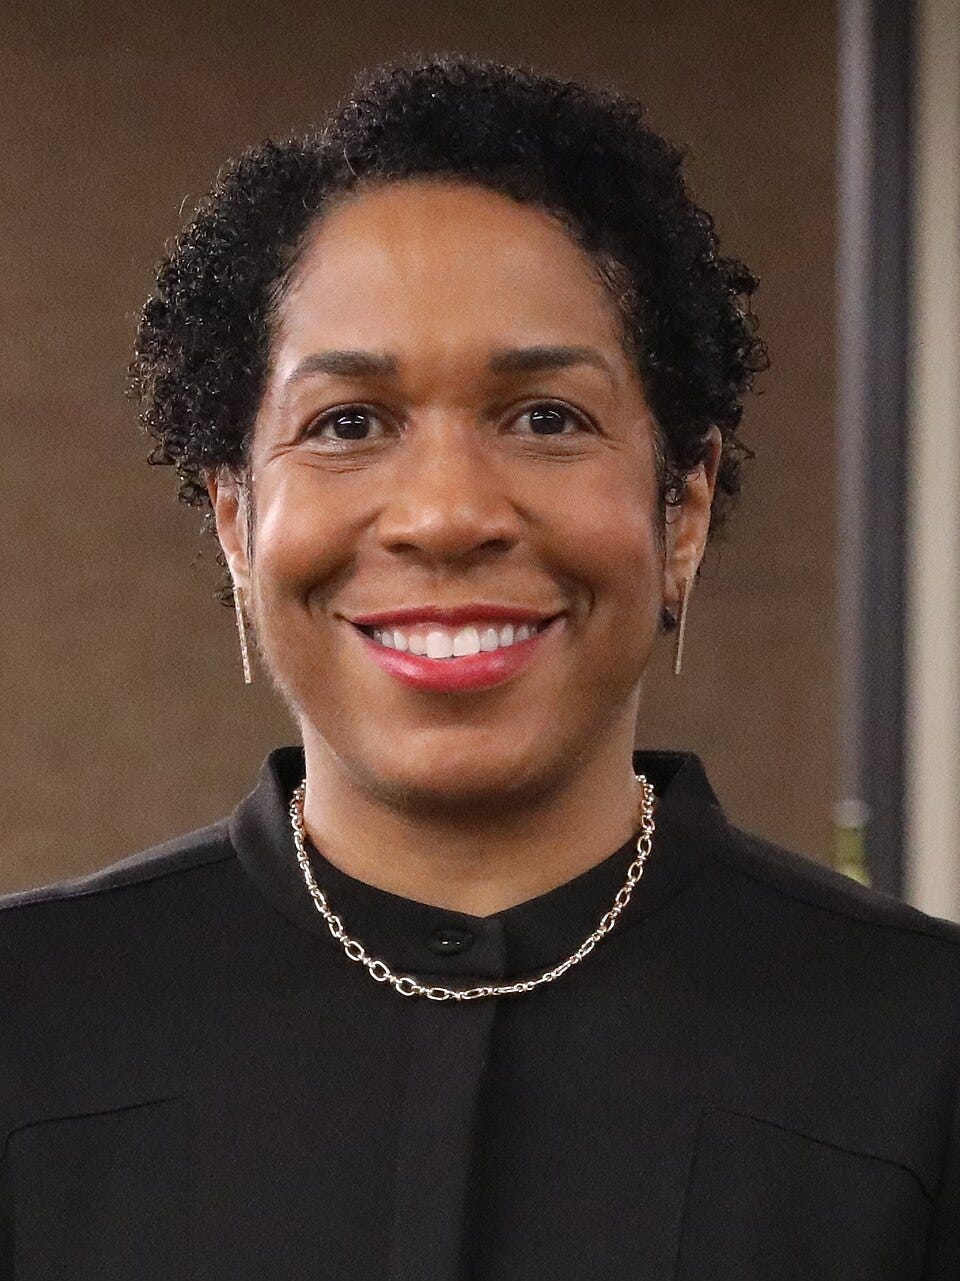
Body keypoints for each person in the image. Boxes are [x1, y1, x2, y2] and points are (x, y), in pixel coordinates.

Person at [1, 54, 957, 1280]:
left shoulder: (925, 1054)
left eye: (546, 418)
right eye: (348, 424)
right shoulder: (32, 1027)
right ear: (237, 521)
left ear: (684, 510)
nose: (447, 515)